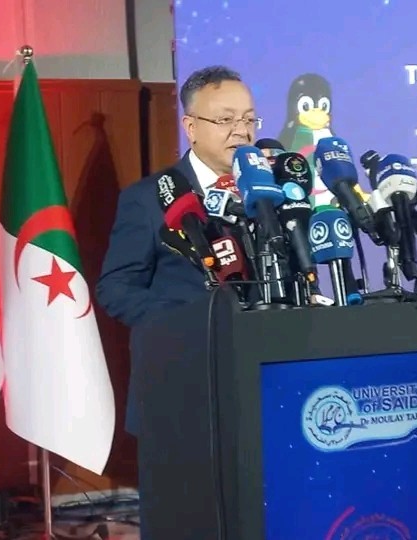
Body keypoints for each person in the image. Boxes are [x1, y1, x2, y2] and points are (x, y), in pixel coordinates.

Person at [95, 65, 260, 436]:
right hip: (179, 386)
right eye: (226, 119)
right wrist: (183, 322)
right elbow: (115, 287)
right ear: (191, 127)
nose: (242, 130)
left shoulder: (267, 193)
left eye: (249, 119)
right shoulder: (149, 198)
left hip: (260, 382)